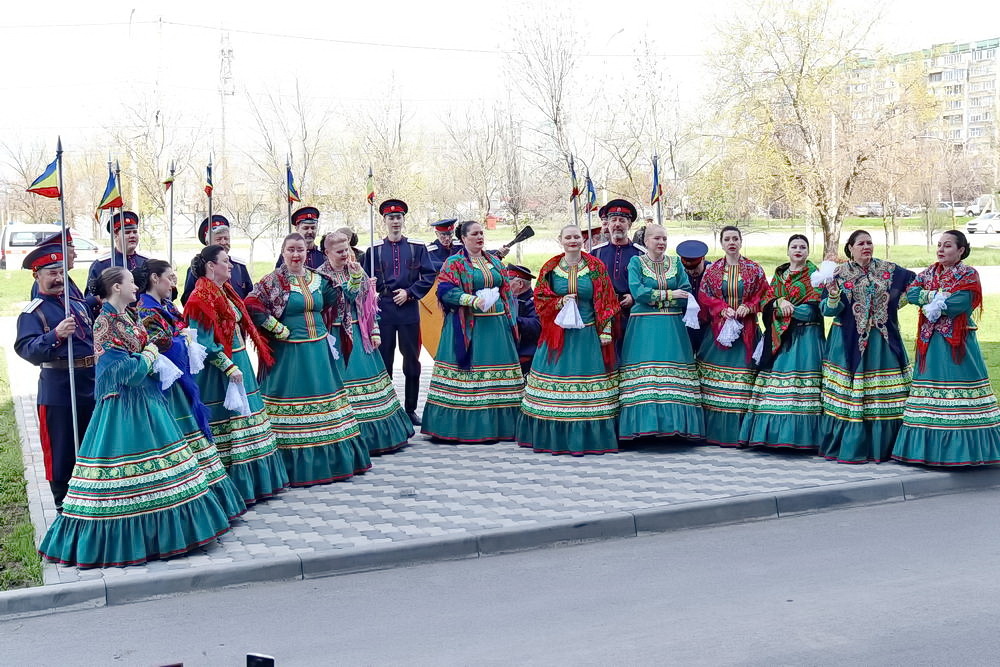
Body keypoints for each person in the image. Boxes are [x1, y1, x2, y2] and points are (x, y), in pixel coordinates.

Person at [37, 266, 232, 568]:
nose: (136, 288)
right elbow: (119, 372)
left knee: (165, 472)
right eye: (130, 283)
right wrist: (150, 355)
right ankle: (128, 541)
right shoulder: (104, 323)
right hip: (123, 407)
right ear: (116, 287)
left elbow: (140, 352)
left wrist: (155, 351)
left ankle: (169, 535)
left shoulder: (129, 315)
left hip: (147, 399)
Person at [246, 233, 371, 485]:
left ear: (307, 252)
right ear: (283, 252)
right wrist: (275, 327)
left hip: (319, 352)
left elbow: (342, 299)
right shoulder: (273, 281)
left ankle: (334, 463)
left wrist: (356, 278)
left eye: (300, 250)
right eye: (291, 250)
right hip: (289, 354)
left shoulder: (319, 279)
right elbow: (250, 304)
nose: (296, 255)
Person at [136, 260, 247, 519]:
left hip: (182, 382)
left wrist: (183, 336)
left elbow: (177, 332)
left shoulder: (166, 306)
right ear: (155, 279)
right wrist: (184, 338)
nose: (174, 283)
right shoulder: (146, 310)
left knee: (197, 441)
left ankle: (213, 503)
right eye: (169, 277)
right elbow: (159, 342)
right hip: (168, 387)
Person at [184, 245, 289, 504]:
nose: (230, 265)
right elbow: (203, 342)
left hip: (239, 358)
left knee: (247, 417)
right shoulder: (200, 299)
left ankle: (256, 484)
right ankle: (234, 487)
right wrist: (228, 366)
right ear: (211, 266)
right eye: (225, 261)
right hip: (221, 371)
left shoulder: (226, 291)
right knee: (230, 423)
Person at [892, 230, 1000, 466]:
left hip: (956, 344)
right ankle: (926, 452)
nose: (941, 249)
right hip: (930, 343)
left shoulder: (968, 274)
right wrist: (934, 295)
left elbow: (960, 303)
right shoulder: (929, 272)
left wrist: (933, 300)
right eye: (939, 245)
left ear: (961, 250)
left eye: (948, 246)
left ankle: (962, 453)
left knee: (957, 391)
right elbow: (911, 292)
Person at [516, 225, 621, 455]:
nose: (573, 240)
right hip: (559, 335)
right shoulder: (551, 267)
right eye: (568, 237)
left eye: (576, 237)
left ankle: (590, 439)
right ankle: (553, 438)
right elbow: (540, 298)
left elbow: (607, 301)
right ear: (560, 240)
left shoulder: (595, 267)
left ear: (582, 240)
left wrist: (605, 331)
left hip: (587, 335)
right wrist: (559, 302)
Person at [817, 230, 915, 463]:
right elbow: (828, 311)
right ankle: (851, 444)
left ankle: (887, 445)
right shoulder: (838, 274)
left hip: (882, 341)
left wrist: (892, 305)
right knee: (851, 395)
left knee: (882, 393)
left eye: (869, 242)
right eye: (861, 243)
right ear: (850, 248)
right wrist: (832, 296)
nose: (866, 246)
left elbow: (913, 283)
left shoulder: (888, 269)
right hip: (847, 341)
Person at [14, 233, 96, 512]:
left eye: (61, 271)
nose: (59, 278)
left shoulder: (76, 303)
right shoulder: (33, 312)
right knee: (61, 451)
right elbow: (26, 349)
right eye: (52, 273)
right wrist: (56, 336)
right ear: (37, 276)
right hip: (59, 389)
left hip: (90, 383)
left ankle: (91, 500)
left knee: (91, 445)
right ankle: (63, 506)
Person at [422, 221, 524, 442]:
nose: (480, 237)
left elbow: (505, 290)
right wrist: (471, 300)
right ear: (464, 238)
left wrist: (510, 312)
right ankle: (464, 427)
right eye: (475, 234)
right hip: (469, 327)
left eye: (482, 233)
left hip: (496, 328)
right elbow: (445, 291)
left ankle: (503, 427)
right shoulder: (454, 262)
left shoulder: (494, 262)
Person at [318, 231, 414, 455]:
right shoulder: (321, 276)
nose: (345, 255)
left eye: (347, 250)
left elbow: (368, 303)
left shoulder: (357, 269)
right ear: (327, 253)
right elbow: (343, 299)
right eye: (339, 251)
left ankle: (380, 435)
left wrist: (374, 329)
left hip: (360, 335)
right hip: (337, 336)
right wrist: (353, 280)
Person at [738, 234, 825, 450]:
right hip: (779, 338)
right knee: (774, 384)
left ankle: (803, 438)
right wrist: (778, 301)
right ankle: (772, 436)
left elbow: (814, 310)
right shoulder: (780, 274)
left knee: (801, 386)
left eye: (803, 247)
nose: (798, 250)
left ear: (808, 251)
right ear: (788, 251)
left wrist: (791, 309)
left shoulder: (815, 275)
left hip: (805, 339)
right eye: (794, 246)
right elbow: (767, 299)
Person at [618, 224, 703, 441]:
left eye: (664, 238)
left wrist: (659, 296)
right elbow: (638, 292)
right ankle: (645, 427)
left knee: (672, 373)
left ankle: (673, 427)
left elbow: (686, 290)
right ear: (646, 241)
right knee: (648, 374)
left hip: (672, 326)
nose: (661, 243)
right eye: (657, 238)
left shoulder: (675, 263)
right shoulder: (636, 262)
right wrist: (669, 294)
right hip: (644, 327)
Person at [360, 199, 436, 425]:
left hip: (408, 309)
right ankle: (387, 409)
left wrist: (410, 293)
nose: (395, 221)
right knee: (384, 359)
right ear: (383, 221)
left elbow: (429, 275)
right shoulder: (373, 250)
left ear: (403, 220)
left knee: (411, 360)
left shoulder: (416, 247)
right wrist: (371, 287)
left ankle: (411, 408)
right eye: (391, 218)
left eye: (398, 217)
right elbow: (364, 281)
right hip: (384, 310)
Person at [697, 225, 768, 447]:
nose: (731, 242)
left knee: (743, 381)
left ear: (740, 242)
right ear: (722, 243)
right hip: (720, 332)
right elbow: (703, 295)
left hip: (746, 332)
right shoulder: (713, 269)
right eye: (727, 239)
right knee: (714, 382)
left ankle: (741, 433)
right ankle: (714, 433)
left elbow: (765, 293)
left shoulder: (754, 269)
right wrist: (720, 308)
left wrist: (750, 306)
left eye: (735, 238)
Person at [591, 199, 646, 359]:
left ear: (629, 225)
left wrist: (634, 297)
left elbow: (648, 282)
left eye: (622, 220)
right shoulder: (596, 253)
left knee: (631, 354)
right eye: (613, 220)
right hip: (602, 315)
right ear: (607, 223)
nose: (617, 224)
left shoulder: (641, 254)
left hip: (631, 314)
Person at [180, 215, 254, 304]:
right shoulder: (198, 267)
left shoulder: (239, 266)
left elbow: (250, 295)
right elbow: (188, 300)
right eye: (218, 239)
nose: (223, 242)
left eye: (226, 238)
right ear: (208, 243)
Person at [85, 210, 148, 295]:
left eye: (135, 232)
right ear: (116, 236)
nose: (132, 235)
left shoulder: (146, 262)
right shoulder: (101, 264)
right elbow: (90, 298)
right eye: (127, 232)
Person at [506, 263, 541, 376]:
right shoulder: (508, 300)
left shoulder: (534, 302)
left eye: (508, 281)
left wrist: (514, 321)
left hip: (527, 356)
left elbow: (536, 325)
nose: (504, 285)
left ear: (520, 283)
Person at [676, 239, 710, 355]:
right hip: (684, 325)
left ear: (703, 259)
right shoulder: (677, 272)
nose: (692, 272)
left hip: (708, 326)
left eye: (696, 268)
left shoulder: (713, 272)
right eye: (688, 270)